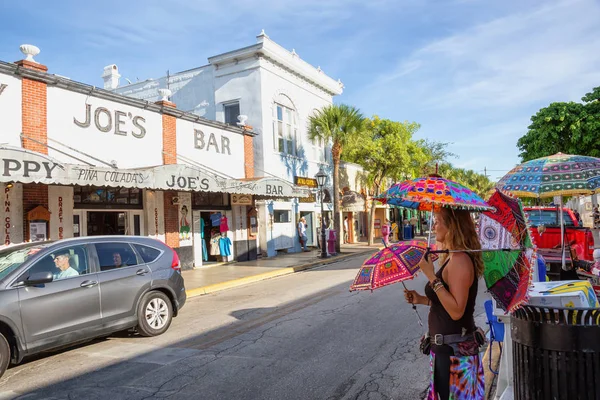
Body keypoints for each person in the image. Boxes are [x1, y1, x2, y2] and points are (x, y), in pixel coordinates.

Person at [404, 208, 485, 399]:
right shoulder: (451, 257)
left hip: (454, 354)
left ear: (452, 226)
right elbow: (445, 305)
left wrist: (431, 276)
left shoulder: (460, 260)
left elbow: (457, 311)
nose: (434, 225)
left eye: (438, 221)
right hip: (445, 352)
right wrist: (421, 299)